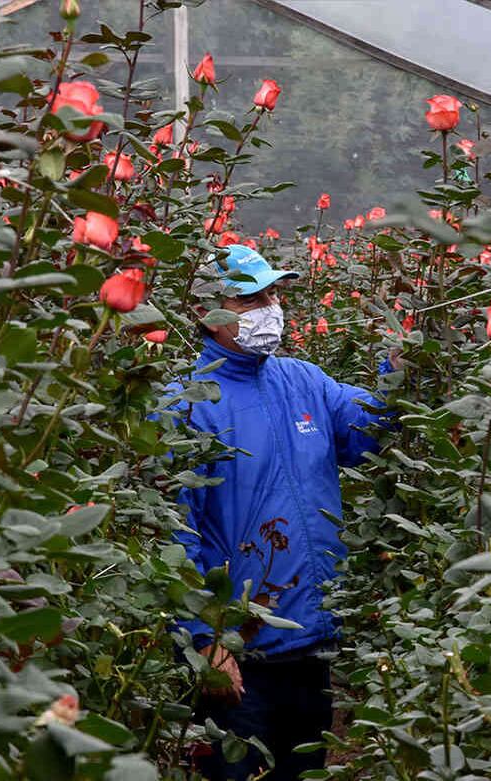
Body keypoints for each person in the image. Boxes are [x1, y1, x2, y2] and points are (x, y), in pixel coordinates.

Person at [167, 244, 395, 780]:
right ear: (209, 313)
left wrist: (398, 373)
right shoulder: (188, 403)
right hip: (239, 652)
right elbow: (175, 535)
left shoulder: (303, 380)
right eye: (249, 299)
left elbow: (368, 430)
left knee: (303, 769)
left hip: (311, 640)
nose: (269, 306)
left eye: (271, 293)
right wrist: (204, 641)